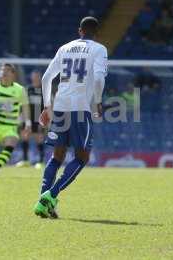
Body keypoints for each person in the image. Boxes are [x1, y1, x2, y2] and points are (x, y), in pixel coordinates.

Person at [33, 16, 108, 218]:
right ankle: (51, 195)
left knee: (57, 157)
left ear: (79, 31)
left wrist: (47, 106)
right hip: (80, 108)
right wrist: (98, 101)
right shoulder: (99, 49)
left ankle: (43, 201)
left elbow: (47, 77)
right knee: (82, 158)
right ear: (96, 32)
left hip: (60, 106)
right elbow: (99, 78)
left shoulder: (64, 48)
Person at [16, 70, 45, 169]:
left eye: (38, 77)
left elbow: (47, 106)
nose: (36, 78)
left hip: (39, 119)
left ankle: (41, 162)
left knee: (39, 138)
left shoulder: (44, 91)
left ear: (40, 78)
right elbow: (22, 104)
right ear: (32, 78)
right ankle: (25, 160)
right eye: (34, 77)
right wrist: (20, 116)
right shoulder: (27, 90)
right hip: (27, 118)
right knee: (25, 136)